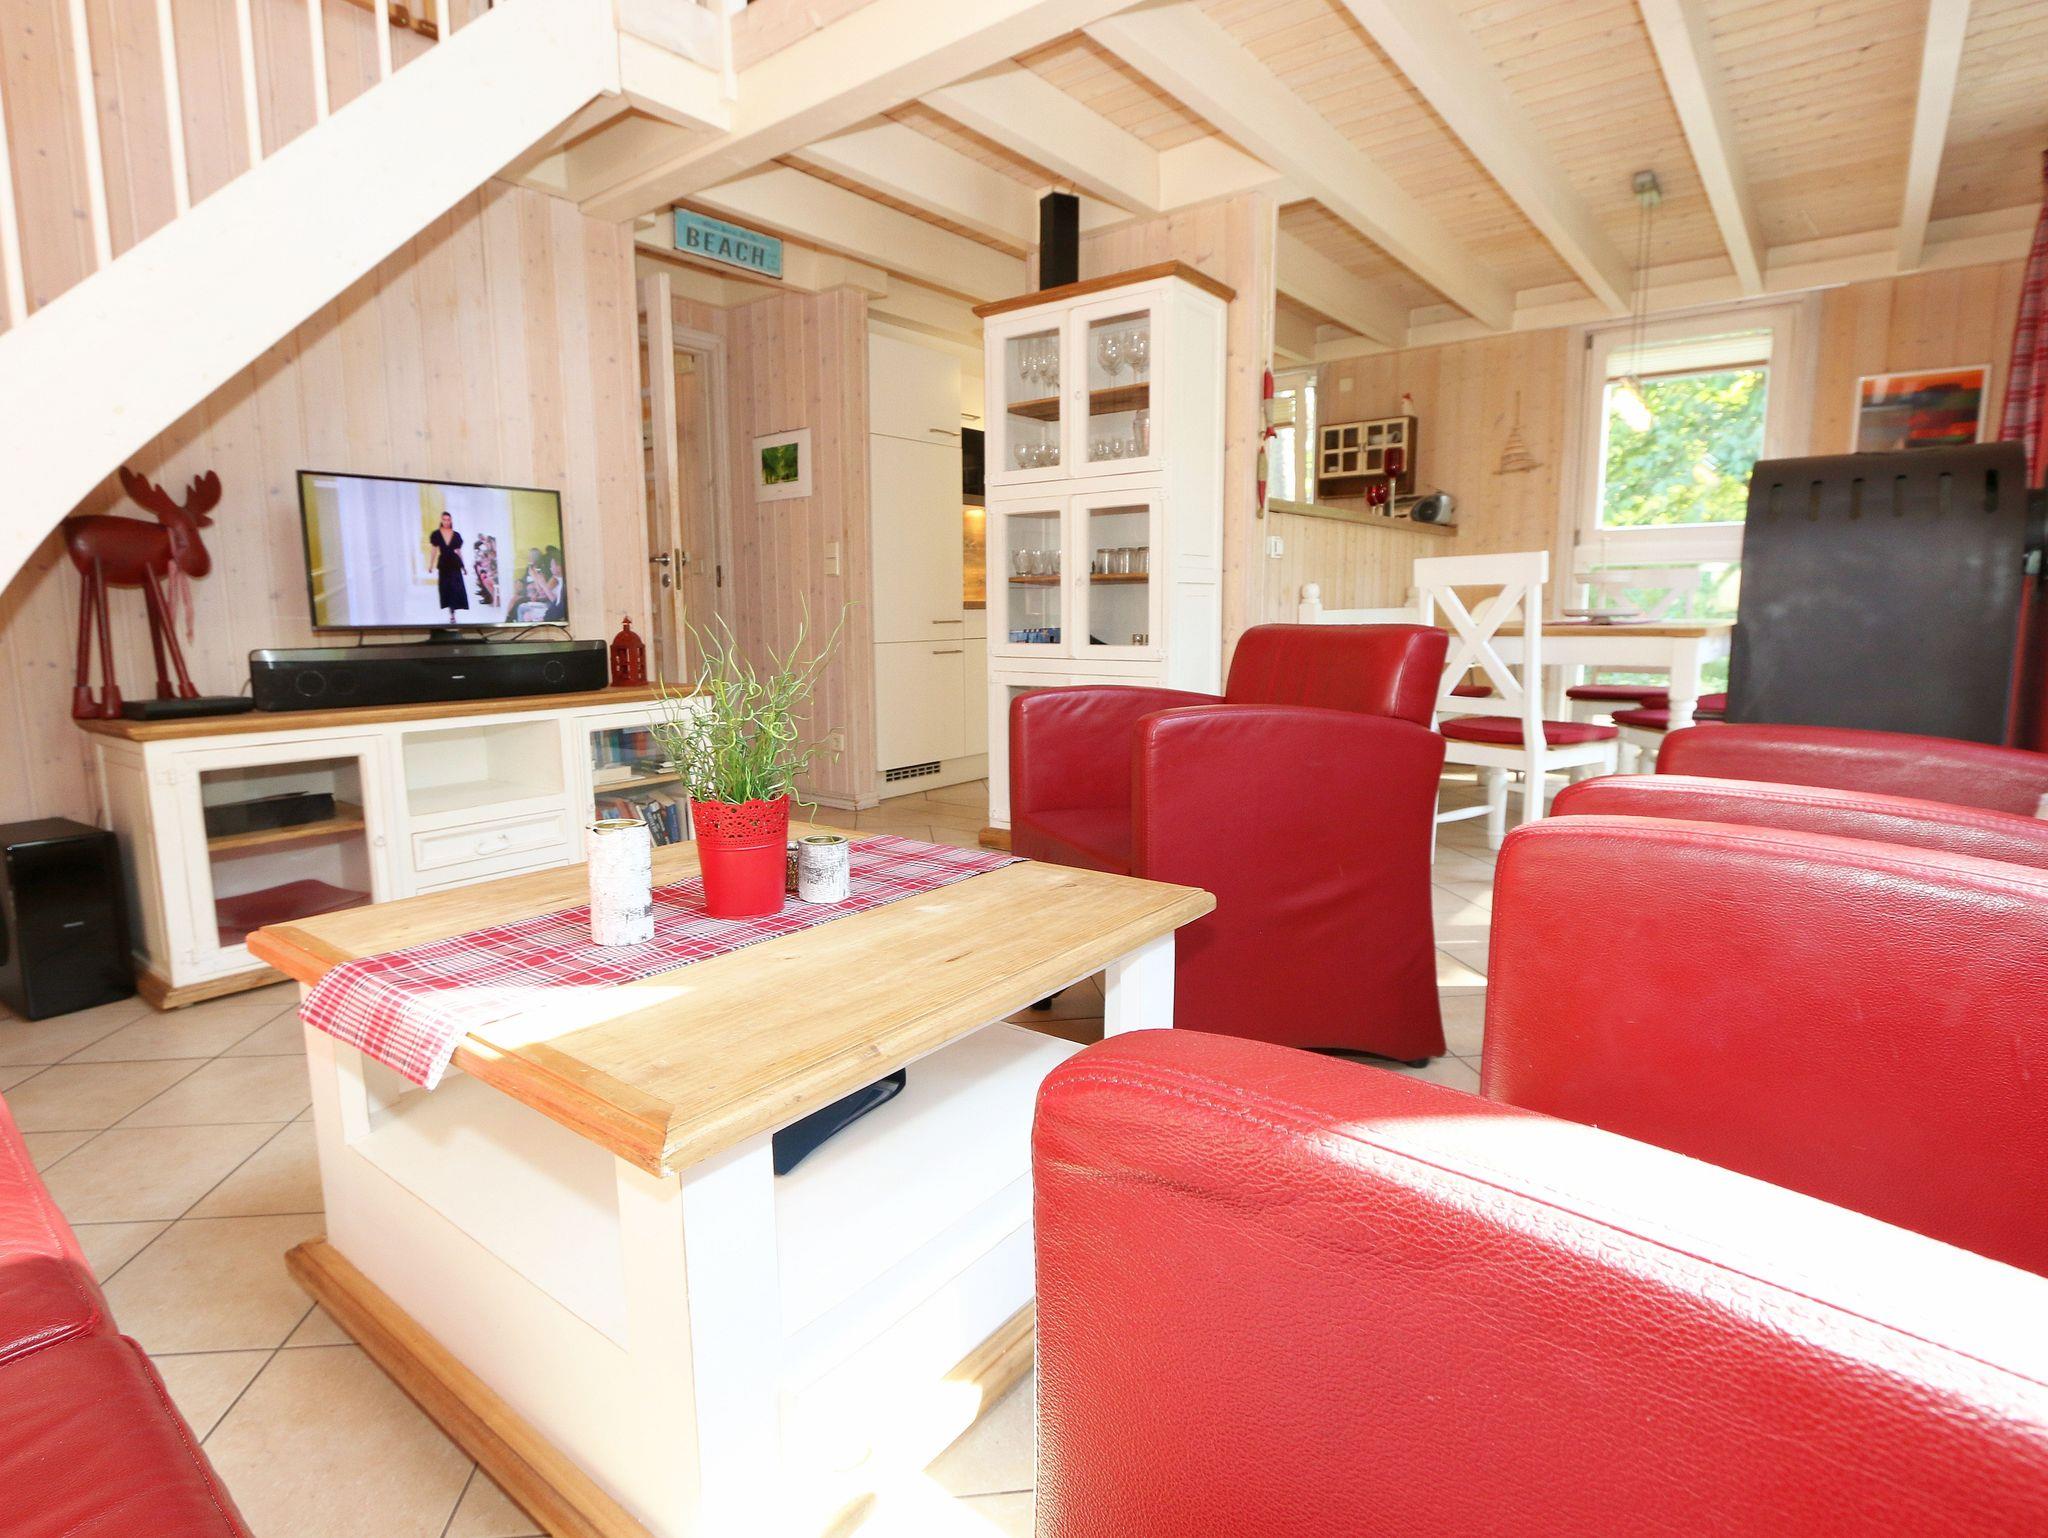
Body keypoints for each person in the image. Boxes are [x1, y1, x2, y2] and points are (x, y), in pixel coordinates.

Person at [425, 511, 468, 622]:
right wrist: (430, 565)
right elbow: (434, 551)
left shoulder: (456, 535)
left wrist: (463, 566)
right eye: (444, 519)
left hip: (454, 563)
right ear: (441, 520)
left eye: (448, 520)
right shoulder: (436, 534)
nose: (446, 522)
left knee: (455, 587)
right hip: (443, 564)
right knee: (446, 587)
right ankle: (451, 611)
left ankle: (452, 613)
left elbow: (458, 551)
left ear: (451, 520)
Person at [541, 545, 568, 623]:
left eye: (552, 565)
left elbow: (559, 608)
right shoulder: (560, 581)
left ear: (559, 567)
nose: (550, 568)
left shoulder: (564, 585)